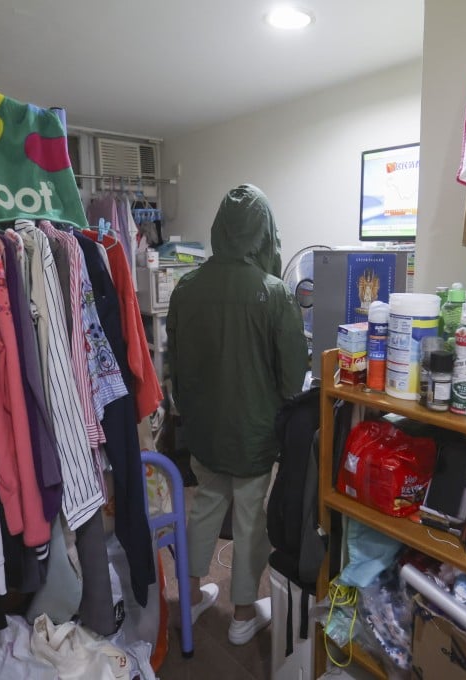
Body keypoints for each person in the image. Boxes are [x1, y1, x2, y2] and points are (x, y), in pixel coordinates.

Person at [166, 184, 308, 645]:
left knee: (205, 506)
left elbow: (177, 363)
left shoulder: (186, 288)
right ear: (264, 233)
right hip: (252, 432)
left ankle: (189, 595)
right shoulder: (273, 293)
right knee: (250, 520)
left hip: (204, 430)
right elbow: (292, 380)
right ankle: (243, 615)